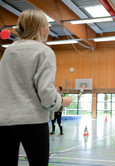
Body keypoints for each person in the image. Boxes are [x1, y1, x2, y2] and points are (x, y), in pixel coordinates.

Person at [0, 10, 72, 166]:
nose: (49, 29)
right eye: (48, 25)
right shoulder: (44, 51)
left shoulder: (8, 51)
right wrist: (60, 101)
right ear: (41, 28)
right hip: (33, 121)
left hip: (5, 121)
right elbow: (46, 94)